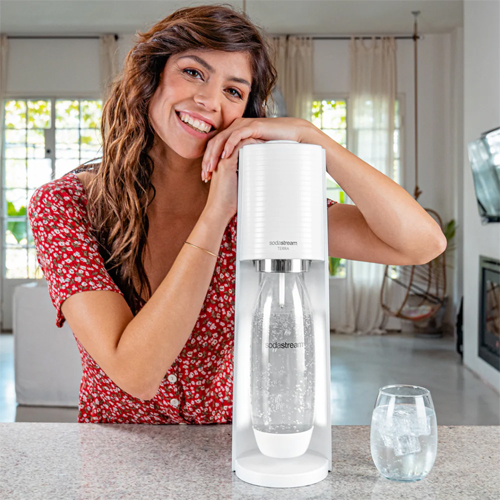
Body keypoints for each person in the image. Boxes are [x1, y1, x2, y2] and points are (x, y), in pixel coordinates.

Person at [28, 5, 446, 424]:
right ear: (150, 77)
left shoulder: (264, 199)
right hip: (116, 454)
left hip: (237, 450)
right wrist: (216, 214)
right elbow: (135, 374)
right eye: (193, 72)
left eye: (233, 91)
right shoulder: (65, 205)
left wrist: (313, 138)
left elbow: (421, 244)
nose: (209, 101)